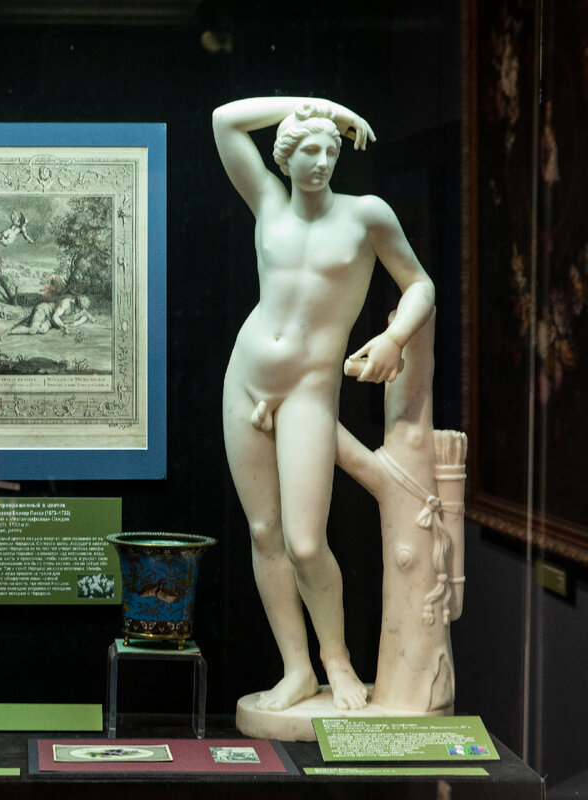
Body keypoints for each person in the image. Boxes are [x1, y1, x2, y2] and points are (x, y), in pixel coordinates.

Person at [213, 97, 435, 712]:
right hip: (246, 378)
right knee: (264, 532)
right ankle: (296, 670)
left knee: (306, 541)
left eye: (330, 150)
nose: (321, 160)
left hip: (310, 390)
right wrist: (322, 107)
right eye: (308, 149)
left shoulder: (365, 216)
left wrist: (394, 338)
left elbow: (420, 284)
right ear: (284, 159)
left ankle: (336, 660)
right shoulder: (267, 203)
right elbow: (224, 121)